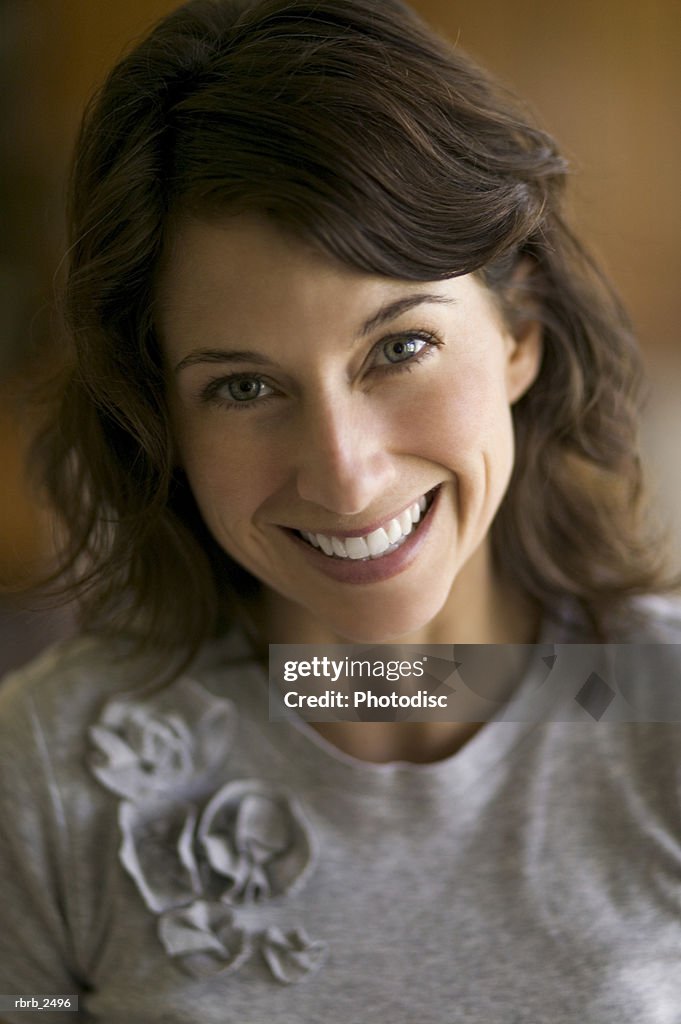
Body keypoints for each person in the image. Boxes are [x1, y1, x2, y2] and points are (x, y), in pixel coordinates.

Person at [0, 0, 679, 1020]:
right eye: (243, 387)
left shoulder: (658, 713)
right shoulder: (47, 769)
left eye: (399, 347)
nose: (346, 477)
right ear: (162, 422)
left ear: (520, 328)